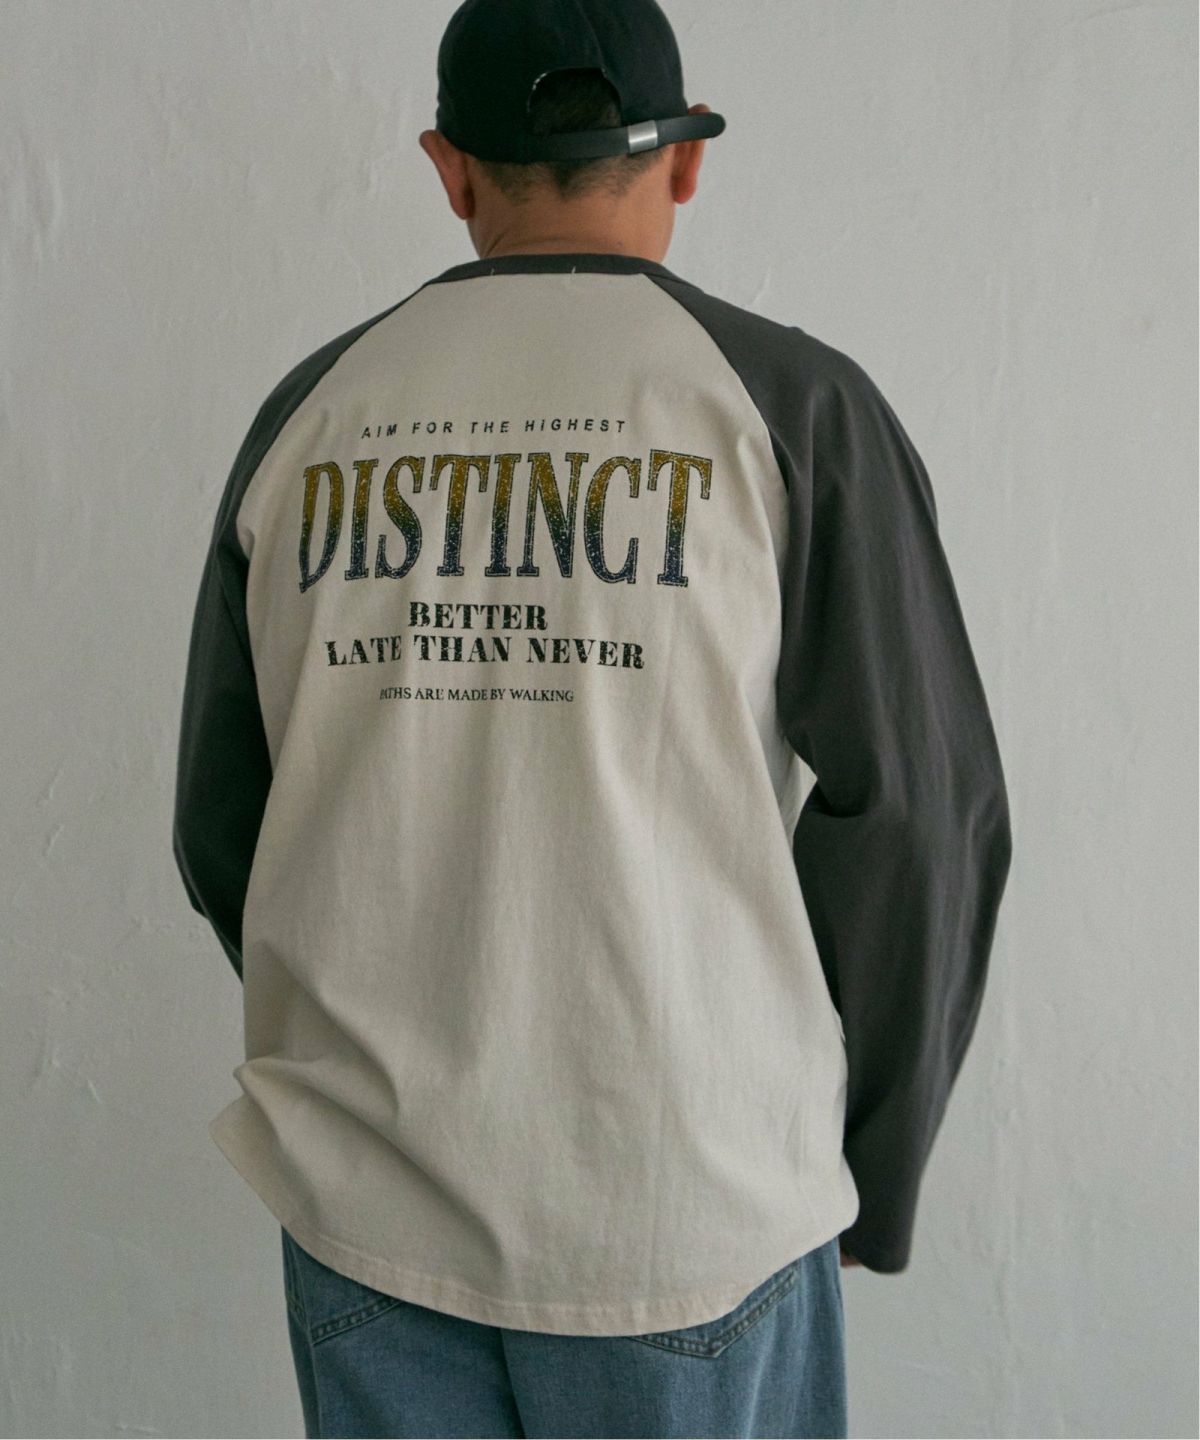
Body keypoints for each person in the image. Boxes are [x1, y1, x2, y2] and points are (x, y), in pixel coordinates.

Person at [172, 0, 1013, 1435]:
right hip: (686, 1209)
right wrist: (862, 1162)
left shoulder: (312, 414)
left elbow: (223, 823)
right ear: (685, 163)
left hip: (369, 1202)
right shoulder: (789, 409)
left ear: (449, 169)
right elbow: (926, 819)